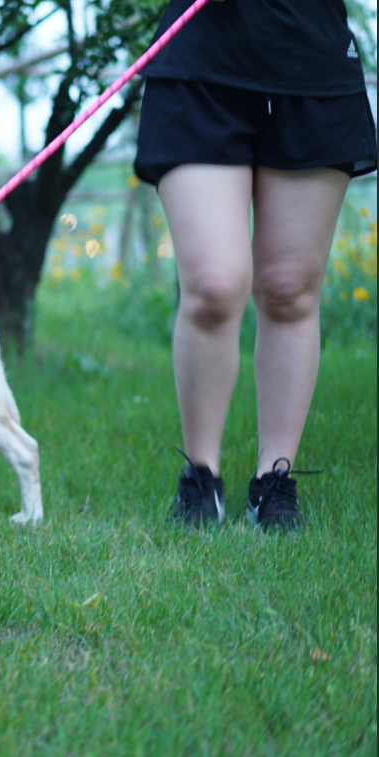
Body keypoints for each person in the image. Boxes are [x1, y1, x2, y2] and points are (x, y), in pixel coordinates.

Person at [133, 0, 377, 530]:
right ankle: (201, 480)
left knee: (289, 288)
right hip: (199, 64)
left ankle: (274, 483)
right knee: (214, 285)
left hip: (310, 64)